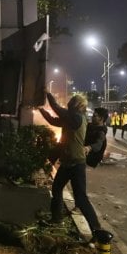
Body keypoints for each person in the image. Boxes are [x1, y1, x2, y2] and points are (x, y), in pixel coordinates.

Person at [38, 92, 102, 235]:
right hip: (68, 163)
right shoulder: (71, 119)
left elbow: (55, 107)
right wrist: (41, 110)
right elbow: (53, 120)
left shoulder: (77, 118)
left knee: (81, 198)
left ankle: (97, 229)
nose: (69, 102)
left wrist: (46, 93)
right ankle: (56, 219)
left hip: (76, 163)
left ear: (77, 105)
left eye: (72, 101)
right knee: (56, 188)